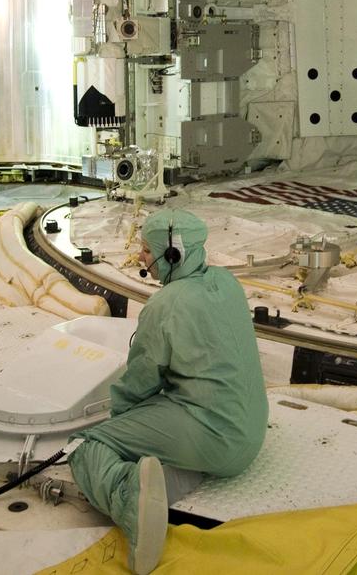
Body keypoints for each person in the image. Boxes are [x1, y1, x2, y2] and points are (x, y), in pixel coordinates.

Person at [69, 208, 269, 574]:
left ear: (172, 253)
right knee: (166, 430)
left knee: (88, 447)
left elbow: (140, 382)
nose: (141, 258)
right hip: (249, 433)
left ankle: (130, 500)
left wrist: (123, 426)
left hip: (216, 437)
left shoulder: (165, 305)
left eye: (147, 250)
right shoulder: (227, 282)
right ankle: (158, 483)